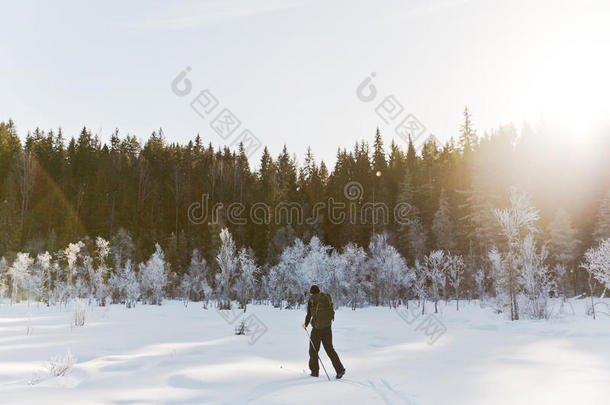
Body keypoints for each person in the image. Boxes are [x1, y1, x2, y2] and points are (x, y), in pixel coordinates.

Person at [302, 285, 346, 379]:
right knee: (330, 349)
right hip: (328, 328)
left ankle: (314, 372)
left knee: (313, 350)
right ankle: (340, 369)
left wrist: (305, 324)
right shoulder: (326, 297)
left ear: (311, 292)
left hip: (317, 330)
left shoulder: (312, 300)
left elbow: (309, 314)